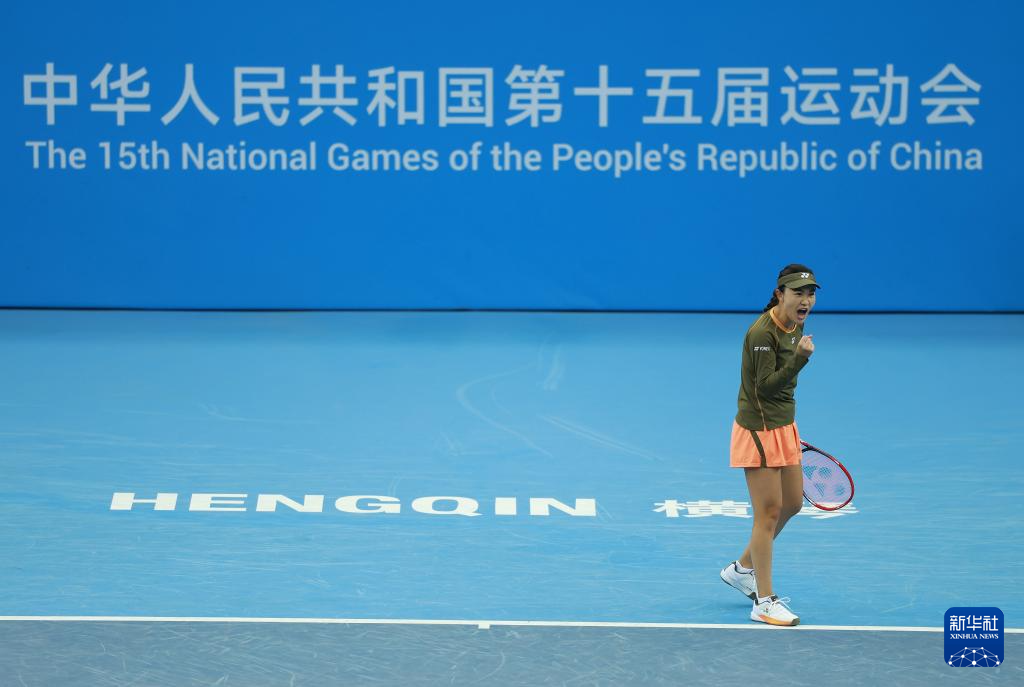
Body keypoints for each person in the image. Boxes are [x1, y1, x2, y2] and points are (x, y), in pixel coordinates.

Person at [719, 264, 819, 626]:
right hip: (759, 429)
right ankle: (764, 602)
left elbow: (785, 389)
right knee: (768, 514)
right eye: (798, 293)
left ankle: (741, 570)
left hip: (782, 425)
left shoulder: (796, 324)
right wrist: (800, 360)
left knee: (792, 503)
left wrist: (786, 425)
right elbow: (764, 388)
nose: (805, 300)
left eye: (810, 294)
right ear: (780, 294)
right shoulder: (762, 332)